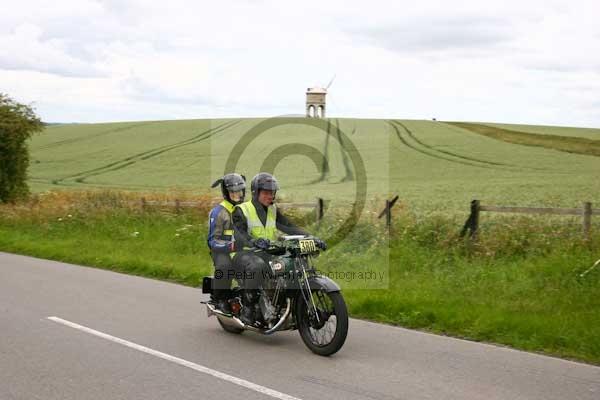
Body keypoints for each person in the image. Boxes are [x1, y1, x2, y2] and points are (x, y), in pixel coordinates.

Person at [231, 172, 326, 298]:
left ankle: (290, 302)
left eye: (272, 192)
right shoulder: (241, 210)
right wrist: (254, 241)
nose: (270, 196)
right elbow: (240, 235)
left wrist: (311, 237)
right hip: (245, 254)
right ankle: (249, 306)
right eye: (266, 193)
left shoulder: (272, 210)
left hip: (267, 251)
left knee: (293, 263)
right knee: (258, 266)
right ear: (256, 192)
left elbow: (290, 227)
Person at [207, 173, 246, 313]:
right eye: (233, 192)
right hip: (222, 250)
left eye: (240, 191)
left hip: (242, 249)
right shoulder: (218, 212)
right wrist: (229, 246)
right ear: (226, 192)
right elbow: (212, 240)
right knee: (225, 268)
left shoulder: (246, 209)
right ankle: (220, 299)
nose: (237, 195)